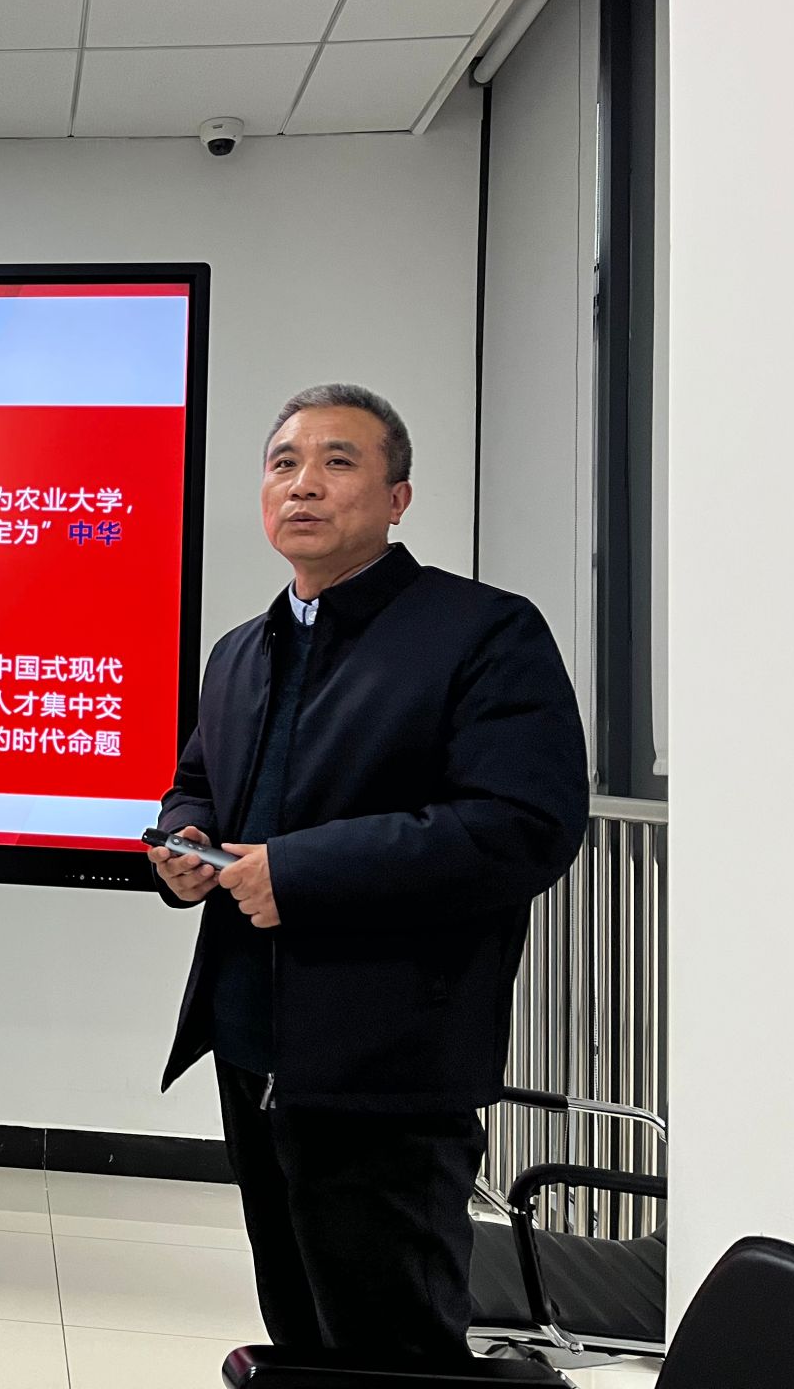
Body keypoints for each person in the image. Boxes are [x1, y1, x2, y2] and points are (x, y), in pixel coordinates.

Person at [147, 383, 587, 1363]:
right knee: (296, 1329)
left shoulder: (481, 633)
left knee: (392, 1346)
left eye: (336, 462)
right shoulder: (240, 651)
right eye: (283, 463)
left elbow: (523, 827)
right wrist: (182, 842)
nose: (302, 483)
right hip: (248, 1042)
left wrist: (299, 872)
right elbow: (196, 785)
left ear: (397, 498)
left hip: (387, 1060)